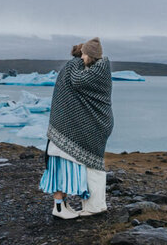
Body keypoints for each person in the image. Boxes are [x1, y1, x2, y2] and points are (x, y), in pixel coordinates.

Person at [39, 37, 113, 219]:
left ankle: (85, 206)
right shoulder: (98, 70)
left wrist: (76, 62)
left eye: (84, 55)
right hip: (96, 124)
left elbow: (77, 84)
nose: (83, 58)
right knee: (92, 167)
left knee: (83, 168)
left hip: (87, 126)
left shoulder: (82, 72)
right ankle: (85, 205)